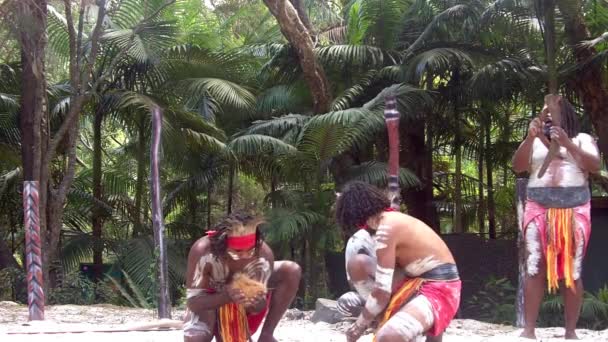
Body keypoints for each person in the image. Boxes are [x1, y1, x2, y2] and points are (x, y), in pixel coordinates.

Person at [512, 94, 601, 339]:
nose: (549, 118)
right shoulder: (535, 143)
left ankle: (570, 332)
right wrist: (531, 138)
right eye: (545, 115)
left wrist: (568, 145)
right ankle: (529, 330)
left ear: (567, 116)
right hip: (538, 207)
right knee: (534, 266)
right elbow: (518, 166)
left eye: (554, 115)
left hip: (574, 209)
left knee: (572, 270)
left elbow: (595, 166)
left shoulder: (582, 139)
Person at [335, 181, 461, 342]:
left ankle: (425, 328)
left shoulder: (386, 229)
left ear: (356, 215)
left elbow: (382, 291)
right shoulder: (389, 222)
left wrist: (358, 326)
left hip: (441, 289)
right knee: (357, 264)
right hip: (415, 282)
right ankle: (386, 319)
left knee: (389, 337)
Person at [183, 211, 302, 342]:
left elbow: (259, 307)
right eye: (237, 251)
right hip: (208, 304)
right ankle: (214, 328)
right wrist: (226, 296)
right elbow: (193, 303)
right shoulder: (203, 251)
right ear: (223, 245)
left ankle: (266, 335)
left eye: (250, 250)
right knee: (195, 338)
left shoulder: (263, 253)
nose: (245, 256)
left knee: (291, 270)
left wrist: (254, 301)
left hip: (240, 310)